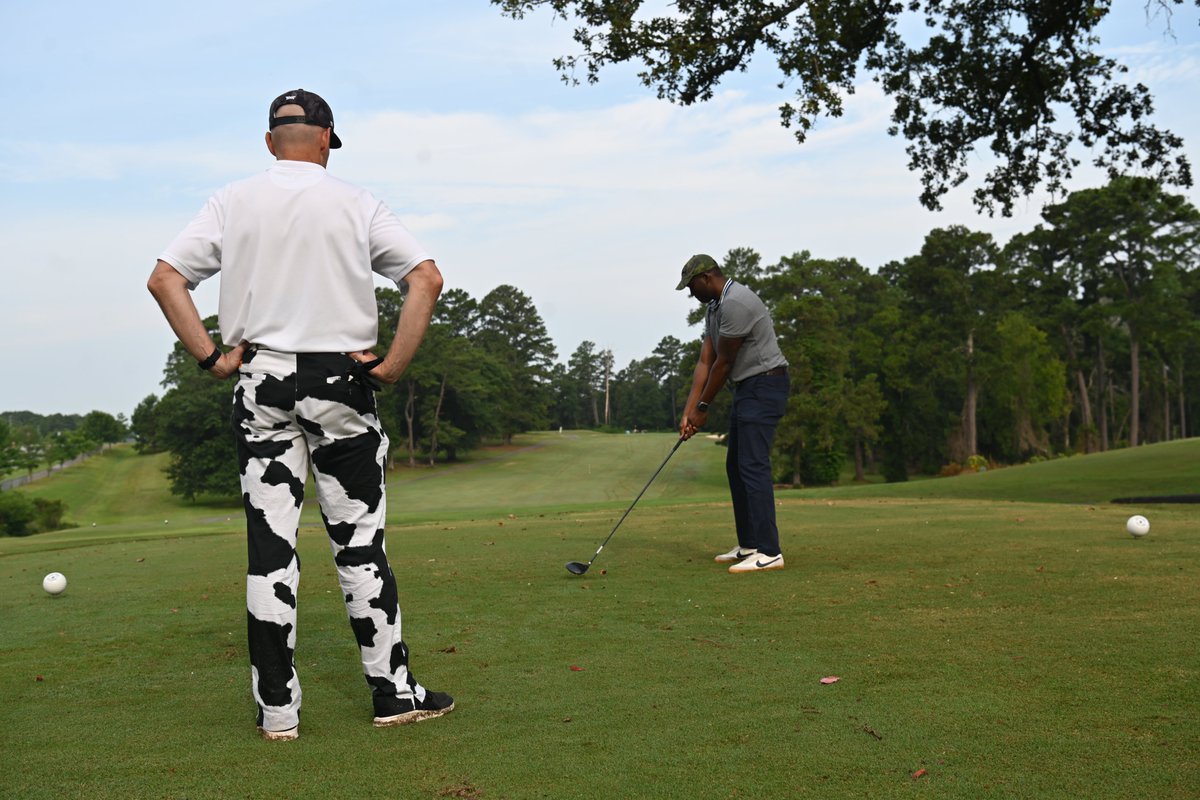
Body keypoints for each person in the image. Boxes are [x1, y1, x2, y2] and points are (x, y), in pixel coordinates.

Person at [147, 88, 451, 741]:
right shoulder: (356, 202)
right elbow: (425, 278)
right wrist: (393, 366)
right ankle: (394, 695)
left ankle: (278, 712)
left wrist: (210, 359)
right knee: (360, 543)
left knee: (269, 549)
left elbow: (165, 279)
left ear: (268, 142)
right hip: (340, 384)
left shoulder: (231, 201)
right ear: (325, 140)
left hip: (261, 383)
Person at [677, 254, 789, 573]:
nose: (690, 293)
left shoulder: (736, 303)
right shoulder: (715, 308)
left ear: (708, 278)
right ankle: (750, 545)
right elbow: (705, 361)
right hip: (748, 388)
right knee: (736, 466)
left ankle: (770, 552)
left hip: (766, 384)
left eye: (692, 286)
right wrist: (688, 413)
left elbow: (723, 364)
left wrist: (703, 409)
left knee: (752, 465)